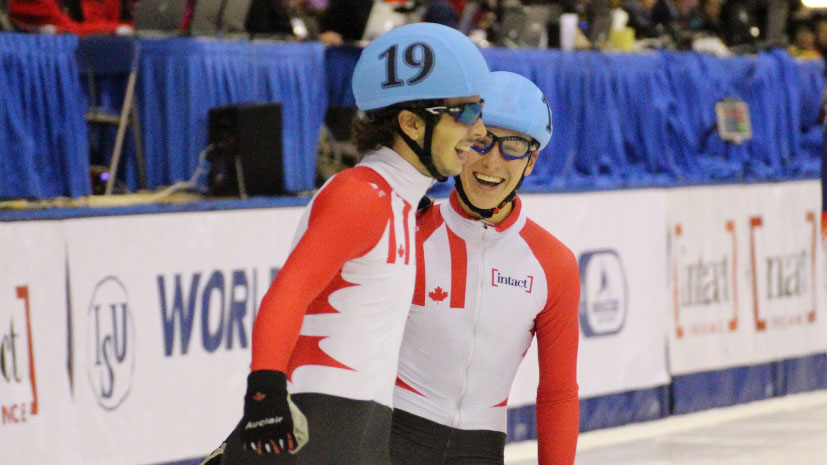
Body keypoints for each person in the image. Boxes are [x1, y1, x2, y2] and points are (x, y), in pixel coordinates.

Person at [201, 21, 491, 465]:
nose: (479, 130)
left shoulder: (400, 204)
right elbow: (289, 292)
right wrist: (264, 392)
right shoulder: (361, 194)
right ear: (411, 123)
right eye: (465, 113)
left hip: (354, 434)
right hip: (315, 433)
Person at [390, 71, 581, 465]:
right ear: (459, 144)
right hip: (391, 439)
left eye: (513, 146)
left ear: (531, 162)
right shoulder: (409, 232)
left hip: (480, 450)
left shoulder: (553, 264)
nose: (493, 161)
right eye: (481, 142)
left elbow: (558, 393)